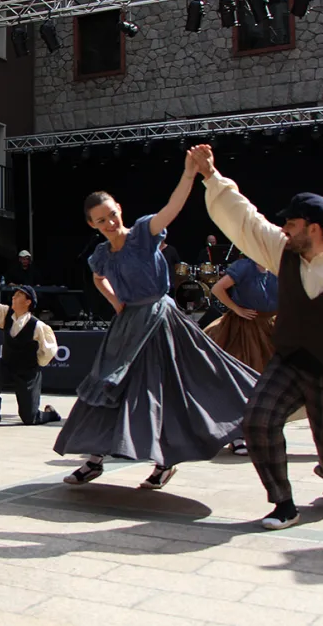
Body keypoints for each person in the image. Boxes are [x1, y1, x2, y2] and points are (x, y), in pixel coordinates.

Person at [191, 143, 323, 530]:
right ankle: (283, 504)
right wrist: (210, 176)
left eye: (291, 224)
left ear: (314, 228)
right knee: (258, 420)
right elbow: (246, 221)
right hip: (288, 361)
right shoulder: (282, 251)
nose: (284, 229)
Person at [54, 152, 259, 491]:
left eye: (112, 214)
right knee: (108, 385)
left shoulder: (143, 233)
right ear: (92, 224)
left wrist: (189, 174)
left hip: (160, 320)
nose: (109, 222)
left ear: (119, 208)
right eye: (101, 220)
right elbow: (97, 277)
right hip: (128, 324)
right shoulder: (102, 254)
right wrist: (115, 301)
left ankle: (165, 463)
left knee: (164, 390)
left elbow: (172, 208)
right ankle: (94, 459)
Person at [204, 258, 285, 455]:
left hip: (271, 326)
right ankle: (238, 435)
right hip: (245, 328)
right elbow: (217, 289)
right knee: (243, 381)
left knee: (273, 383)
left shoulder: (278, 266)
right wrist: (236, 309)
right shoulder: (244, 266)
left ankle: (263, 431)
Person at [0, 281, 62, 426]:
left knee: (30, 418)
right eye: (14, 295)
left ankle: (51, 414)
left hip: (27, 372)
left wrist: (36, 364)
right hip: (7, 366)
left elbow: (49, 350)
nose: (14, 297)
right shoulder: (6, 314)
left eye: (19, 295)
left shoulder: (38, 326)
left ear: (28, 302)